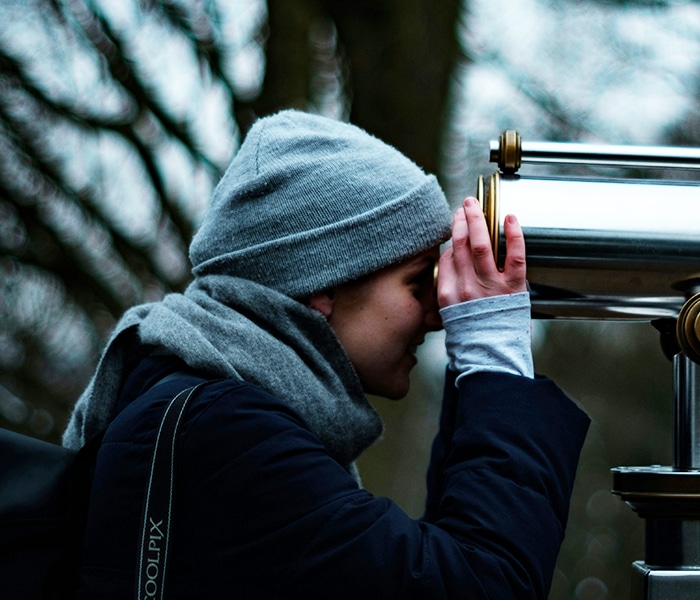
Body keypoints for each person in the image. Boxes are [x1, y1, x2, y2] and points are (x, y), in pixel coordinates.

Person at [60, 110, 590, 598]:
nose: (438, 313)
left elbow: (421, 568)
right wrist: (494, 362)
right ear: (322, 288)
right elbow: (479, 584)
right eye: (418, 282)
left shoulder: (208, 415)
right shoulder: (225, 436)